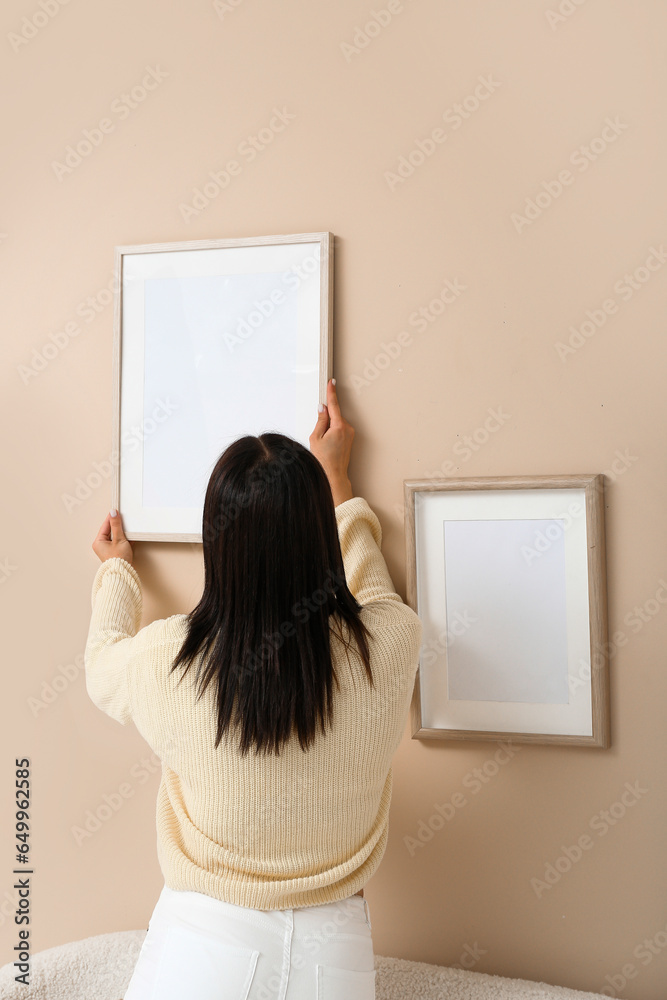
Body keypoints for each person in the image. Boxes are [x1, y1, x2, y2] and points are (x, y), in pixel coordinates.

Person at [86, 378, 422, 1000]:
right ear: (317, 535)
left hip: (205, 941)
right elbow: (372, 592)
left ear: (218, 544)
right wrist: (339, 487)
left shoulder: (168, 660)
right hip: (336, 956)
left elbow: (102, 666)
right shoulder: (391, 645)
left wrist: (117, 575)